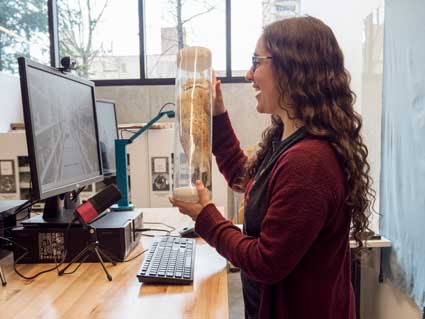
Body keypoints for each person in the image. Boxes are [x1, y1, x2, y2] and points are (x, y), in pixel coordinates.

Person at [170, 16, 374, 319]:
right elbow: (246, 178)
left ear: (293, 68)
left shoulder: (309, 162)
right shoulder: (288, 139)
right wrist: (218, 115)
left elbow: (266, 262)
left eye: (257, 62)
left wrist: (207, 218)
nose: (248, 74)